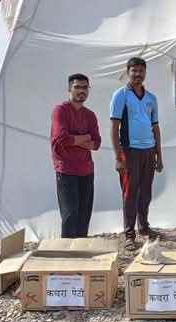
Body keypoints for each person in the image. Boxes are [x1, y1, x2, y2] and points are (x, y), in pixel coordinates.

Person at [110, 57, 164, 250]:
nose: (138, 74)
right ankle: (129, 234)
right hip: (129, 151)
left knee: (146, 192)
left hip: (148, 150)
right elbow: (114, 127)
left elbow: (155, 127)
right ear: (128, 72)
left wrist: (159, 155)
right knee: (130, 193)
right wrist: (118, 157)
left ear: (145, 73)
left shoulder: (151, 98)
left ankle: (144, 227)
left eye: (141, 71)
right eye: (134, 71)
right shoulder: (120, 95)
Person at [51, 73, 101, 238]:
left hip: (86, 170)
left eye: (85, 88)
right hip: (66, 171)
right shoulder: (61, 110)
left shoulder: (90, 115)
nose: (81, 91)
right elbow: (61, 139)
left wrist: (76, 140)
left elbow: (97, 143)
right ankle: (67, 256)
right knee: (70, 216)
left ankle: (81, 253)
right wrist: (85, 137)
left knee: (84, 216)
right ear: (69, 89)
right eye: (77, 87)